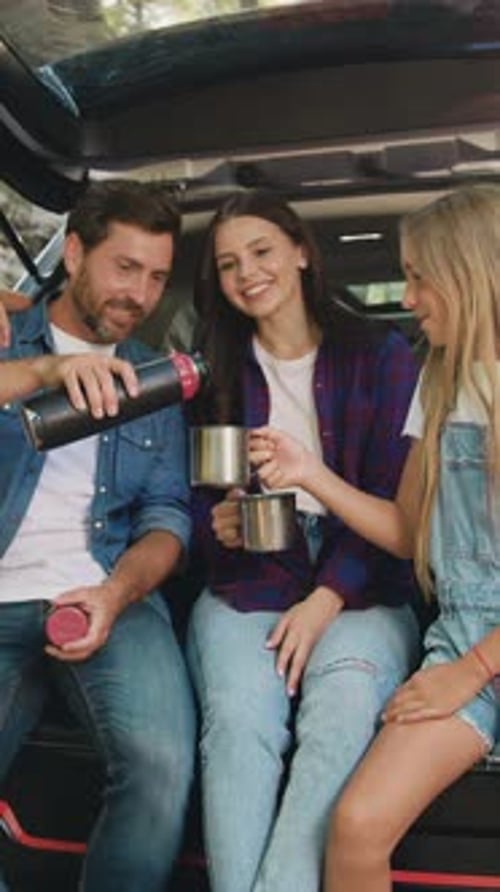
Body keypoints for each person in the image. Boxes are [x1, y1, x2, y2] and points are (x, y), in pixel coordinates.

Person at [249, 182, 500, 892]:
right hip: (464, 640)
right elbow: (405, 530)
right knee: (355, 828)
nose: (409, 297)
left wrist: (470, 672)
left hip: (479, 660)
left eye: (420, 278)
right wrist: (311, 474)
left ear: (469, 273)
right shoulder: (440, 382)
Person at [185, 188, 422, 892]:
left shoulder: (379, 354)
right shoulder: (212, 369)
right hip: (249, 578)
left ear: (298, 252)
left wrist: (327, 597)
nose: (246, 274)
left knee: (339, 718)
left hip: (367, 579)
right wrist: (218, 526)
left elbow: (394, 501)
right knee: (236, 725)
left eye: (260, 251)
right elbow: (196, 502)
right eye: (228, 264)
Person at [0, 179, 196, 892]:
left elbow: (168, 517)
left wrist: (116, 593)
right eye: (125, 267)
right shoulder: (5, 335)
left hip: (109, 596)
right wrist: (48, 370)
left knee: (161, 767)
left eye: (157, 277)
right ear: (75, 252)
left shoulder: (154, 377)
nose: (140, 293)